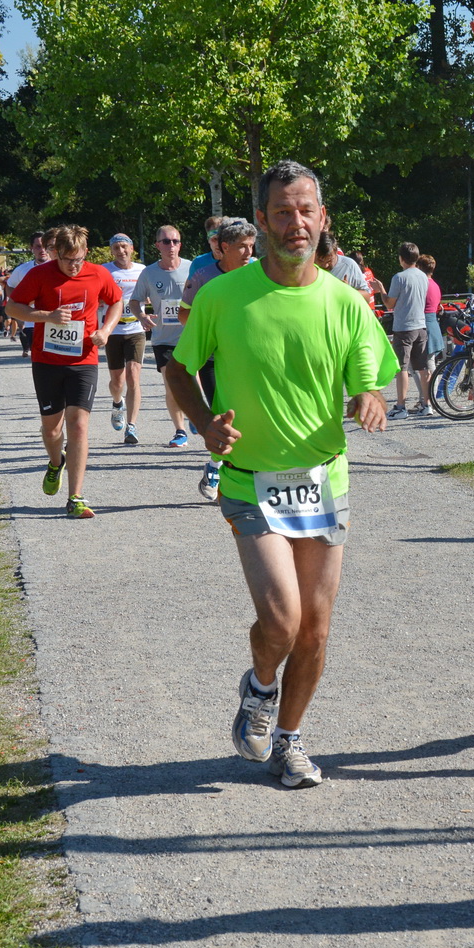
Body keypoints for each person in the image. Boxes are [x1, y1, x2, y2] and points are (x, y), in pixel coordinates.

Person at [164, 159, 398, 789]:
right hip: (248, 482)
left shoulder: (346, 302)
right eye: (283, 212)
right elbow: (179, 370)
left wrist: (371, 396)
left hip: (323, 482)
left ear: (323, 219)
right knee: (282, 622)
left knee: (316, 630)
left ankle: (289, 741)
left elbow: (374, 376)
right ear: (263, 221)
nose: (297, 223)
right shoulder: (222, 296)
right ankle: (260, 685)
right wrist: (206, 423)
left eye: (307, 211)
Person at [5, 224, 124, 518]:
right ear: (56, 253)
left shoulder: (98, 273)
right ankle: (55, 462)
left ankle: (76, 497)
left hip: (84, 359)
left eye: (79, 259)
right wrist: (48, 316)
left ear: (85, 253)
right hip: (47, 361)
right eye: (68, 260)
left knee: (79, 423)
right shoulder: (39, 275)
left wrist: (106, 330)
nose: (74, 266)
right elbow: (12, 308)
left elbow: (117, 301)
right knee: (52, 428)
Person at [183, 218, 258, 500]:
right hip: (214, 358)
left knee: (248, 413)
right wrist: (213, 328)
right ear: (224, 247)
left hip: (250, 356)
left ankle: (235, 467)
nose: (249, 253)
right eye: (242, 247)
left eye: (251, 246)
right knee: (223, 414)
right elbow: (184, 314)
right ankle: (216, 467)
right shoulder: (202, 276)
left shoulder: (261, 273)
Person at [135, 223, 193, 447]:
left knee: (193, 382)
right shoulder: (149, 273)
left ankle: (196, 414)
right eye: (166, 241)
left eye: (175, 241)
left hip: (192, 336)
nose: (171, 245)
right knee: (171, 384)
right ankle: (180, 431)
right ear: (157, 245)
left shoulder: (192, 268)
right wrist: (141, 316)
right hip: (163, 339)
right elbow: (134, 300)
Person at [102, 232, 148, 444]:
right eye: (116, 248)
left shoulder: (142, 270)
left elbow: (150, 294)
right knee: (117, 381)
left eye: (124, 247)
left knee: (133, 375)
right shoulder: (105, 271)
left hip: (135, 329)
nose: (121, 251)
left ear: (131, 249)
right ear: (111, 251)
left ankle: (131, 426)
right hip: (113, 331)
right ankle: (117, 403)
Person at [384, 242, 430, 416]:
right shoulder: (423, 276)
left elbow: (390, 303)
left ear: (401, 259)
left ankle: (401, 406)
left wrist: (380, 290)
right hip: (421, 325)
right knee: (422, 367)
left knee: (401, 368)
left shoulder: (399, 278)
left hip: (404, 327)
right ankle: (427, 404)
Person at [7, 231, 50, 357]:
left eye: (45, 246)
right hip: (32, 320)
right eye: (38, 246)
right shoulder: (23, 269)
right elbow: (9, 285)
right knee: (38, 357)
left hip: (53, 319)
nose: (42, 250)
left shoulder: (59, 267)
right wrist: (17, 305)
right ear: (31, 248)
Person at [418, 254, 445, 361]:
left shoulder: (422, 284)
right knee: (430, 362)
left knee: (418, 364)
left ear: (419, 267)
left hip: (424, 325)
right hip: (433, 324)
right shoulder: (435, 285)